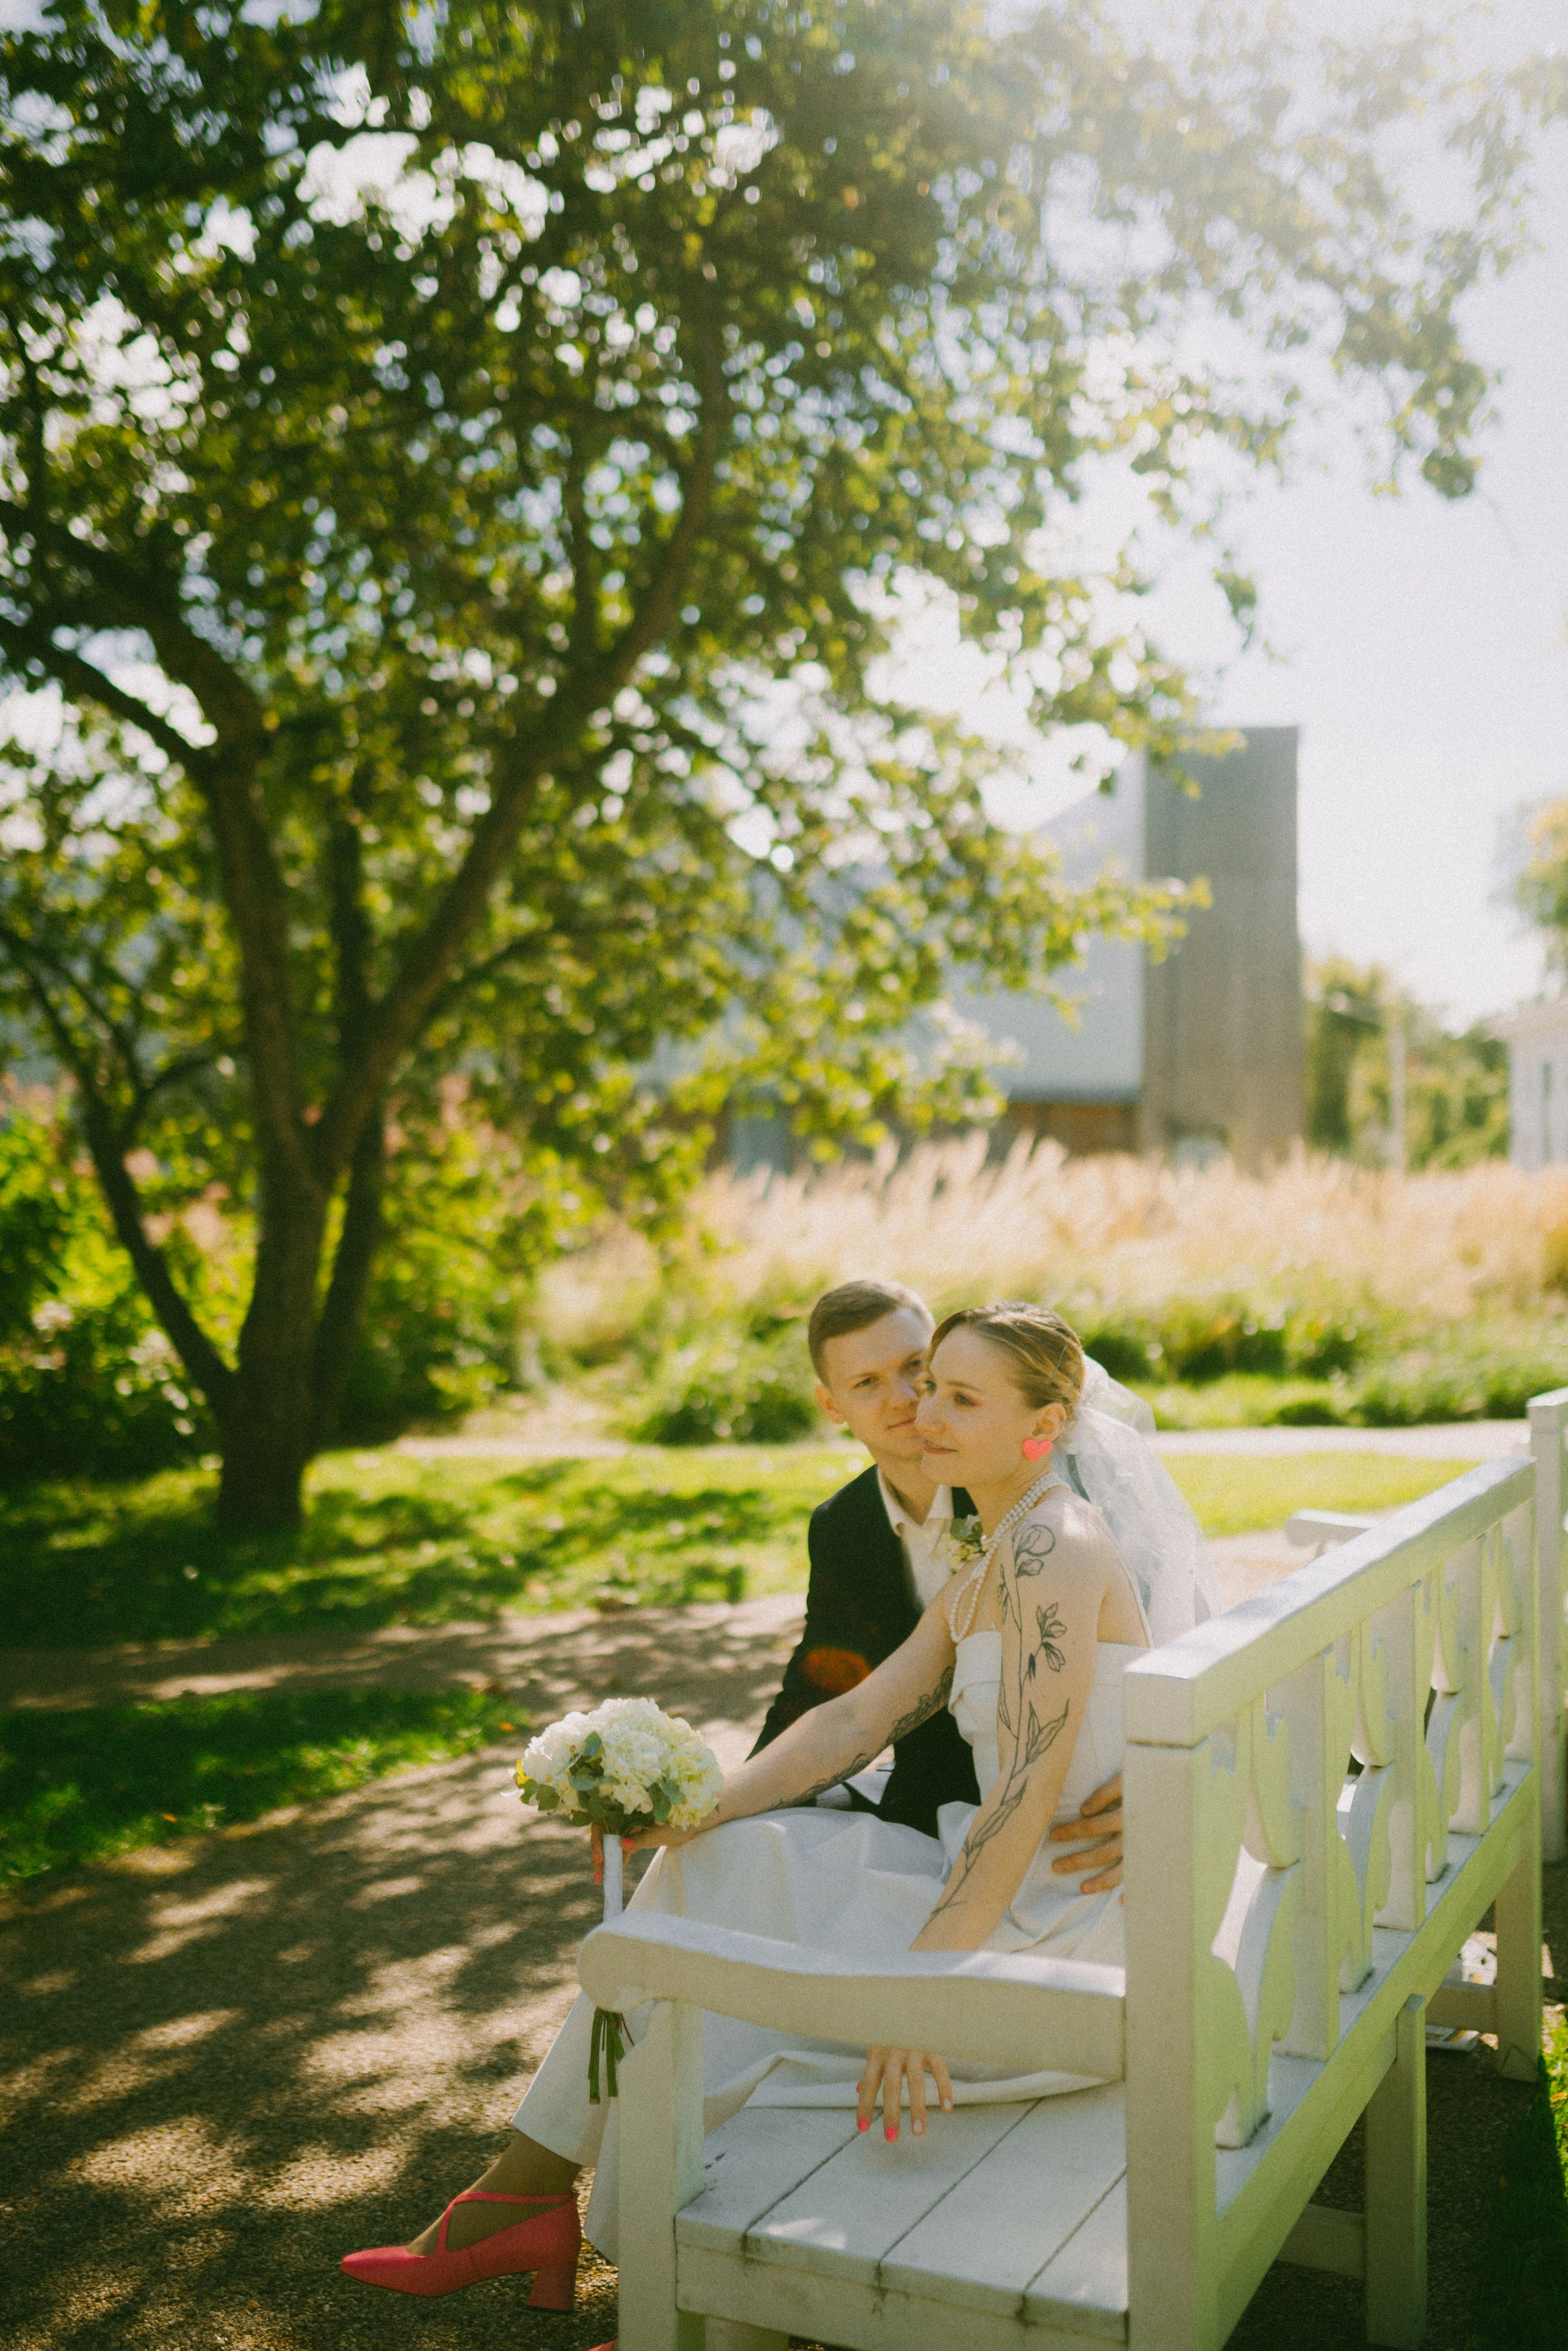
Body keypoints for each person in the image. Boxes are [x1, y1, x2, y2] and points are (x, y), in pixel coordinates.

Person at [339, 1302, 1218, 2311]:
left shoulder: (1049, 1550)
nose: (924, 1409)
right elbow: (854, 1719)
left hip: (1057, 1927)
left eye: (959, 1396)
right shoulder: (999, 1544)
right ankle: (554, 2215)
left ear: (1043, 1421)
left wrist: (927, 1991)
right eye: (929, 1384)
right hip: (1004, 1884)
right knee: (714, 1866)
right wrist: (694, 1808)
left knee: (716, 1960)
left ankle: (611, 2254)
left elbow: (1022, 1796)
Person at [755, 1278, 1126, 1881]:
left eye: (916, 1368)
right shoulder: (843, 1525)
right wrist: (707, 1800)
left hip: (1084, 1818)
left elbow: (1164, 1637)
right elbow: (825, 1678)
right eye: (867, 1383)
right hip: (929, 1812)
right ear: (832, 1407)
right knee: (745, 1862)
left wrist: (1156, 1773)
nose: (905, 1398)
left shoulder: (1050, 1497)